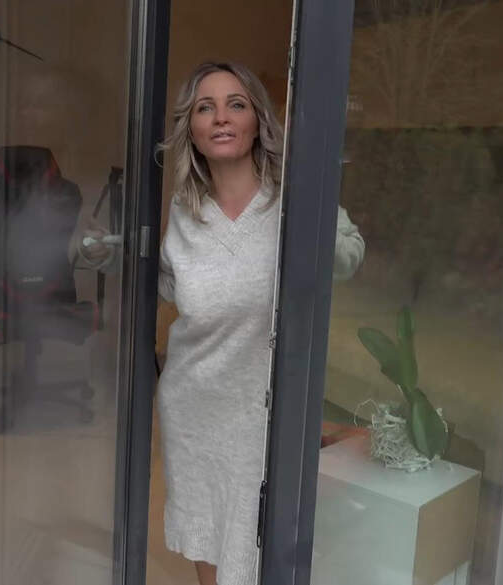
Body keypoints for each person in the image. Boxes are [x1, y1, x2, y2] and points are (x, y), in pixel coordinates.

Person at [154, 61, 364, 585]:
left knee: (262, 543)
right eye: (205, 108)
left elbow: (348, 256)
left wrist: (317, 227)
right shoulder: (184, 211)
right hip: (194, 407)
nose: (221, 118)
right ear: (192, 131)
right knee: (207, 534)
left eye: (236, 104)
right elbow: (169, 287)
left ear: (257, 122)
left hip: (266, 410)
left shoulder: (293, 198)